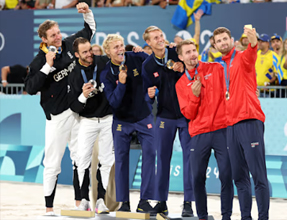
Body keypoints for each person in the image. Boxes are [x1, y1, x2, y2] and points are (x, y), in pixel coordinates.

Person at [24, 2, 96, 216]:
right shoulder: (39, 61)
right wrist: (47, 66)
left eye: (57, 32)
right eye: (52, 35)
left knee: (81, 158)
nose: (57, 37)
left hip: (77, 111)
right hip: (56, 117)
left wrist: (88, 13)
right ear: (43, 39)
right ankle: (49, 208)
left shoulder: (68, 44)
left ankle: (80, 204)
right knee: (53, 164)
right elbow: (29, 88)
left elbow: (89, 31)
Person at [213, 26, 270, 220]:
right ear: (215, 45)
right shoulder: (219, 67)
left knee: (258, 176)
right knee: (239, 177)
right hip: (230, 126)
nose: (222, 43)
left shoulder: (242, 57)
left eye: (225, 39)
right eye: (218, 41)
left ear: (232, 40)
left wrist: (253, 40)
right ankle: (246, 217)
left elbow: (252, 50)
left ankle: (263, 217)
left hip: (249, 120)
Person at [175, 39, 234, 220]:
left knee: (226, 175)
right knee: (197, 177)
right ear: (180, 57)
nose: (192, 54)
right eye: (187, 52)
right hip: (199, 134)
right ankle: (202, 216)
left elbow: (231, 86)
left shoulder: (215, 68)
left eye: (194, 50)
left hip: (222, 129)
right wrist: (194, 96)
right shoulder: (180, 84)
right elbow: (188, 114)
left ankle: (226, 216)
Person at [100, 34, 156, 214]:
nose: (120, 49)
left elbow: (157, 64)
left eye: (121, 45)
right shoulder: (106, 74)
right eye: (115, 47)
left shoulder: (135, 57)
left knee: (150, 154)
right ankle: (123, 202)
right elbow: (114, 102)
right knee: (121, 161)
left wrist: (144, 53)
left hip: (143, 116)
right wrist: (121, 84)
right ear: (108, 52)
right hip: (121, 121)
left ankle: (144, 200)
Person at [141, 26, 194, 217]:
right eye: (155, 38)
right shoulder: (147, 66)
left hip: (186, 115)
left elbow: (194, 68)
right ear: (148, 42)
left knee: (190, 159)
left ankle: (188, 203)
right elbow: (147, 96)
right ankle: (161, 202)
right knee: (162, 160)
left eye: (161, 36)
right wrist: (149, 95)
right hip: (164, 117)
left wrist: (185, 68)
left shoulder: (176, 51)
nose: (160, 39)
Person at [68, 37, 113, 214]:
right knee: (82, 161)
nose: (89, 54)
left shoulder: (102, 61)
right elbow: (74, 106)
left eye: (90, 50)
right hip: (87, 121)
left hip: (108, 118)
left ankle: (101, 200)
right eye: (85, 52)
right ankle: (84, 199)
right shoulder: (74, 73)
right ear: (77, 54)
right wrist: (84, 96)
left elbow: (120, 58)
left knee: (107, 161)